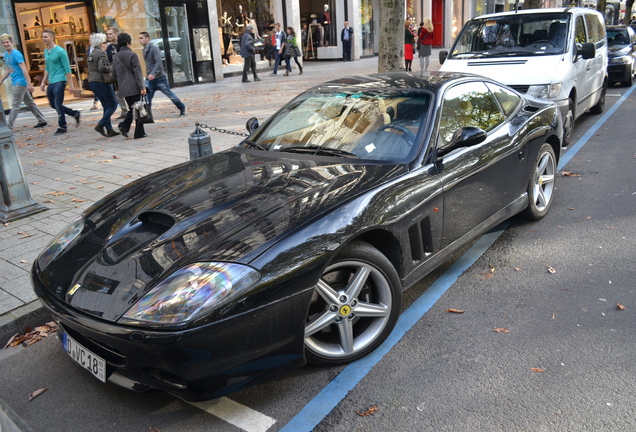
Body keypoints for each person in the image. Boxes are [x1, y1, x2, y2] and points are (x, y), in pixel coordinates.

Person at [0, 33, 47, 129]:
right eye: (4, 43)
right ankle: (42, 120)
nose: (6, 44)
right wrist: (1, 80)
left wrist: (29, 83)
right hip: (16, 82)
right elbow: (8, 70)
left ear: (11, 42)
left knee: (15, 104)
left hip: (20, 82)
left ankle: (9, 126)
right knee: (30, 102)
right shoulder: (6, 55)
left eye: (7, 42)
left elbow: (24, 69)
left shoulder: (16, 54)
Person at [39, 29, 81, 135]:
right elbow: (47, 68)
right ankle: (74, 113)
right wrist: (43, 81)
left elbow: (67, 69)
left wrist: (70, 84)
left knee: (58, 104)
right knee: (53, 104)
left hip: (60, 80)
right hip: (51, 81)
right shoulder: (46, 51)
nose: (43, 39)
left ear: (52, 37)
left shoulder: (61, 51)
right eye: (43, 37)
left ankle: (62, 126)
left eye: (46, 37)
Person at [138, 32, 187, 115]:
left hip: (159, 78)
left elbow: (158, 63)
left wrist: (153, 73)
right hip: (149, 78)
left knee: (170, 95)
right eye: (139, 38)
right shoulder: (144, 50)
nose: (139, 40)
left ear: (148, 38)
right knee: (147, 97)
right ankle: (147, 115)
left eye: (141, 38)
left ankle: (182, 107)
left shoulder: (154, 48)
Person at [112, 32, 147, 139]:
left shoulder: (116, 57)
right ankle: (132, 129)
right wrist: (142, 87)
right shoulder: (132, 55)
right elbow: (138, 73)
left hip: (123, 88)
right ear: (128, 43)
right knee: (137, 109)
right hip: (134, 86)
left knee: (133, 108)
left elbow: (114, 74)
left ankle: (128, 127)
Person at [87, 33, 119, 137]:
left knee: (106, 105)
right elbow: (102, 67)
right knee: (113, 104)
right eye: (105, 42)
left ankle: (109, 129)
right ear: (101, 43)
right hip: (102, 81)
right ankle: (101, 124)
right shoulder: (102, 53)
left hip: (92, 82)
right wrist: (112, 67)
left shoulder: (91, 54)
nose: (106, 44)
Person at [106, 27, 128, 119]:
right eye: (107, 34)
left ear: (116, 34)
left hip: (124, 73)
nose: (108, 36)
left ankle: (131, 110)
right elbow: (108, 60)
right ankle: (124, 111)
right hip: (115, 74)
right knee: (118, 94)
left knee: (126, 93)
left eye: (110, 34)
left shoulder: (121, 46)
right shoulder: (110, 47)